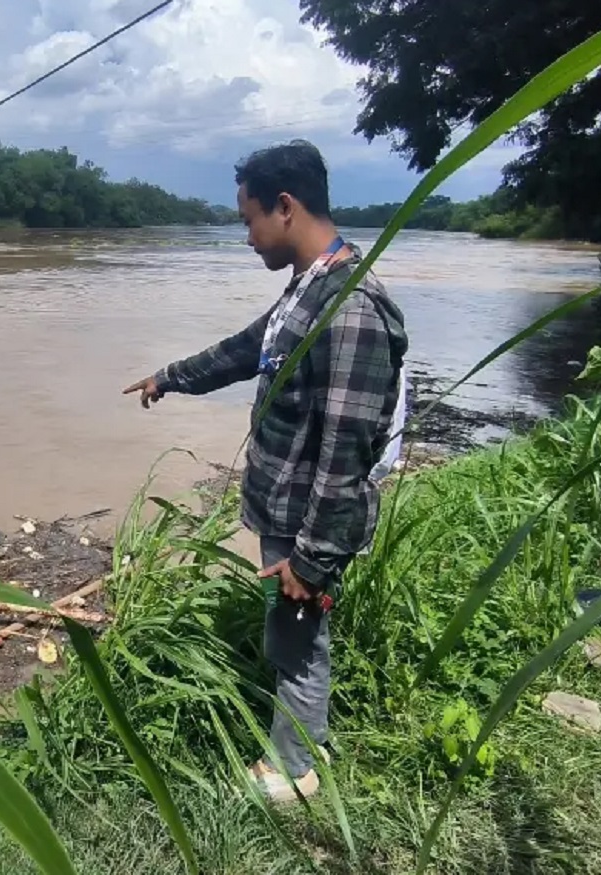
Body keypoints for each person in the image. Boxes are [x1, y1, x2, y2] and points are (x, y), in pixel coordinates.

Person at [123, 140, 408, 803]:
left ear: (285, 207)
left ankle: (297, 769)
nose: (247, 237)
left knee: (301, 639)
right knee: (289, 633)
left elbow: (346, 447)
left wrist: (313, 557)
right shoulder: (310, 289)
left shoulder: (352, 306)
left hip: (311, 518)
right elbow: (247, 349)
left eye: (249, 219)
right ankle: (298, 745)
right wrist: (170, 378)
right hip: (289, 508)